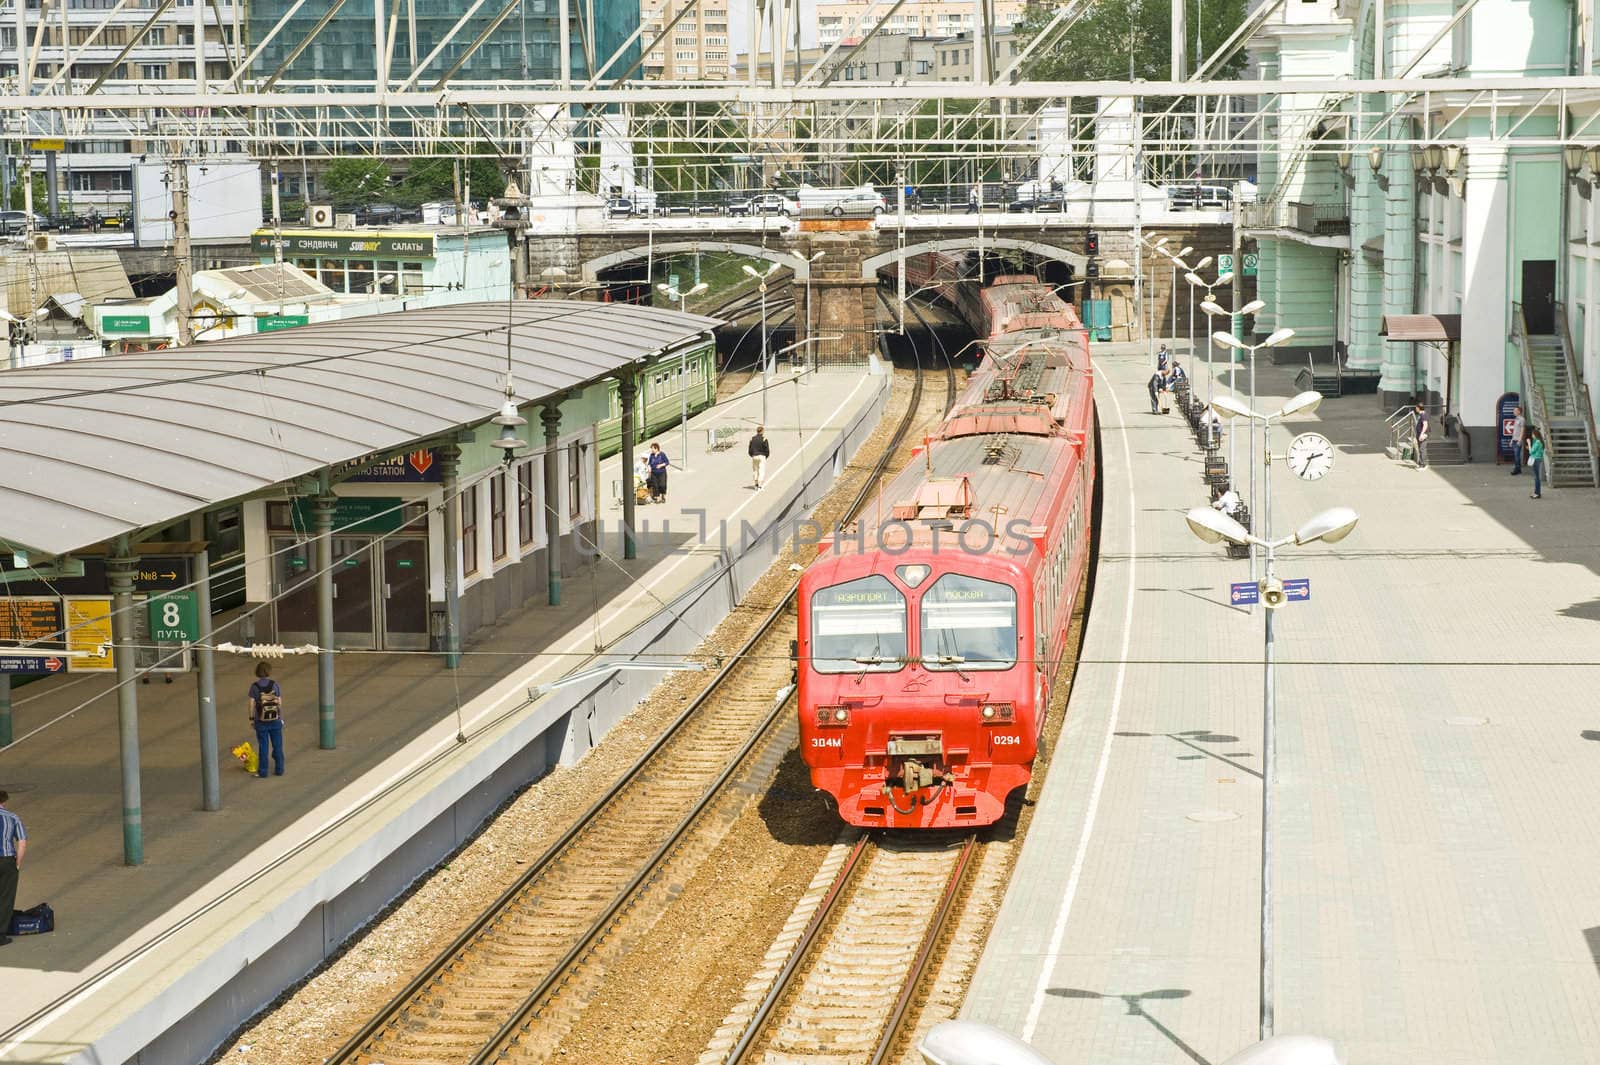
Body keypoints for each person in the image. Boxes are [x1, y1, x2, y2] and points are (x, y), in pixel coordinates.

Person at [248, 662, 285, 778]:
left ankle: (263, 771)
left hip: (261, 721)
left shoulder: (254, 686)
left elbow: (251, 704)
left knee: (263, 746)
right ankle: (279, 769)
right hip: (275, 720)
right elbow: (279, 702)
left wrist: (251, 719)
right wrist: (280, 717)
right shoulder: (275, 685)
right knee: (278, 746)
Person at [0, 790, 25, 947]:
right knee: (5, 898)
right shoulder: (13, 817)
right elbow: (22, 842)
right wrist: (17, 863)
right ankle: (0, 935)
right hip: (7, 860)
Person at [1528, 428, 1546, 499]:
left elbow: (1531, 451)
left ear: (1535, 434)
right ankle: (1536, 492)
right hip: (1538, 459)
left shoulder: (1538, 442)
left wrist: (1529, 444)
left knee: (1536, 477)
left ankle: (1537, 493)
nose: (1532, 435)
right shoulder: (1539, 441)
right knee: (1536, 477)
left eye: (1532, 434)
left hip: (1536, 459)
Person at [1509, 405, 1525, 474]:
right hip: (1514, 439)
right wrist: (1512, 440)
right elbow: (1515, 430)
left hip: (1518, 440)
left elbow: (1522, 430)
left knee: (1517, 455)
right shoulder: (1516, 419)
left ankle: (1517, 469)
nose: (1513, 412)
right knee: (1516, 455)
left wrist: (1520, 440)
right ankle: (1518, 469)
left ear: (1519, 411)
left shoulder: (1522, 419)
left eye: (1515, 410)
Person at [1413, 402, 1429, 468]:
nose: (1415, 409)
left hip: (1422, 435)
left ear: (1419, 408)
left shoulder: (1423, 415)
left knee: (1422, 449)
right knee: (1420, 449)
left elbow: (1425, 425)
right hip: (1419, 434)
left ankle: (1423, 465)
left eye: (1416, 408)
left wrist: (1421, 434)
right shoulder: (1420, 415)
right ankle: (1420, 463)